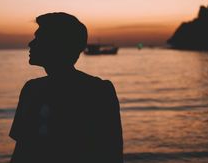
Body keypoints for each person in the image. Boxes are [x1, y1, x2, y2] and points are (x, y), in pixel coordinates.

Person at [9, 12, 123, 163]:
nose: (31, 44)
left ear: (56, 45)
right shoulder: (32, 90)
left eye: (39, 38)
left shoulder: (98, 91)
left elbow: (110, 152)